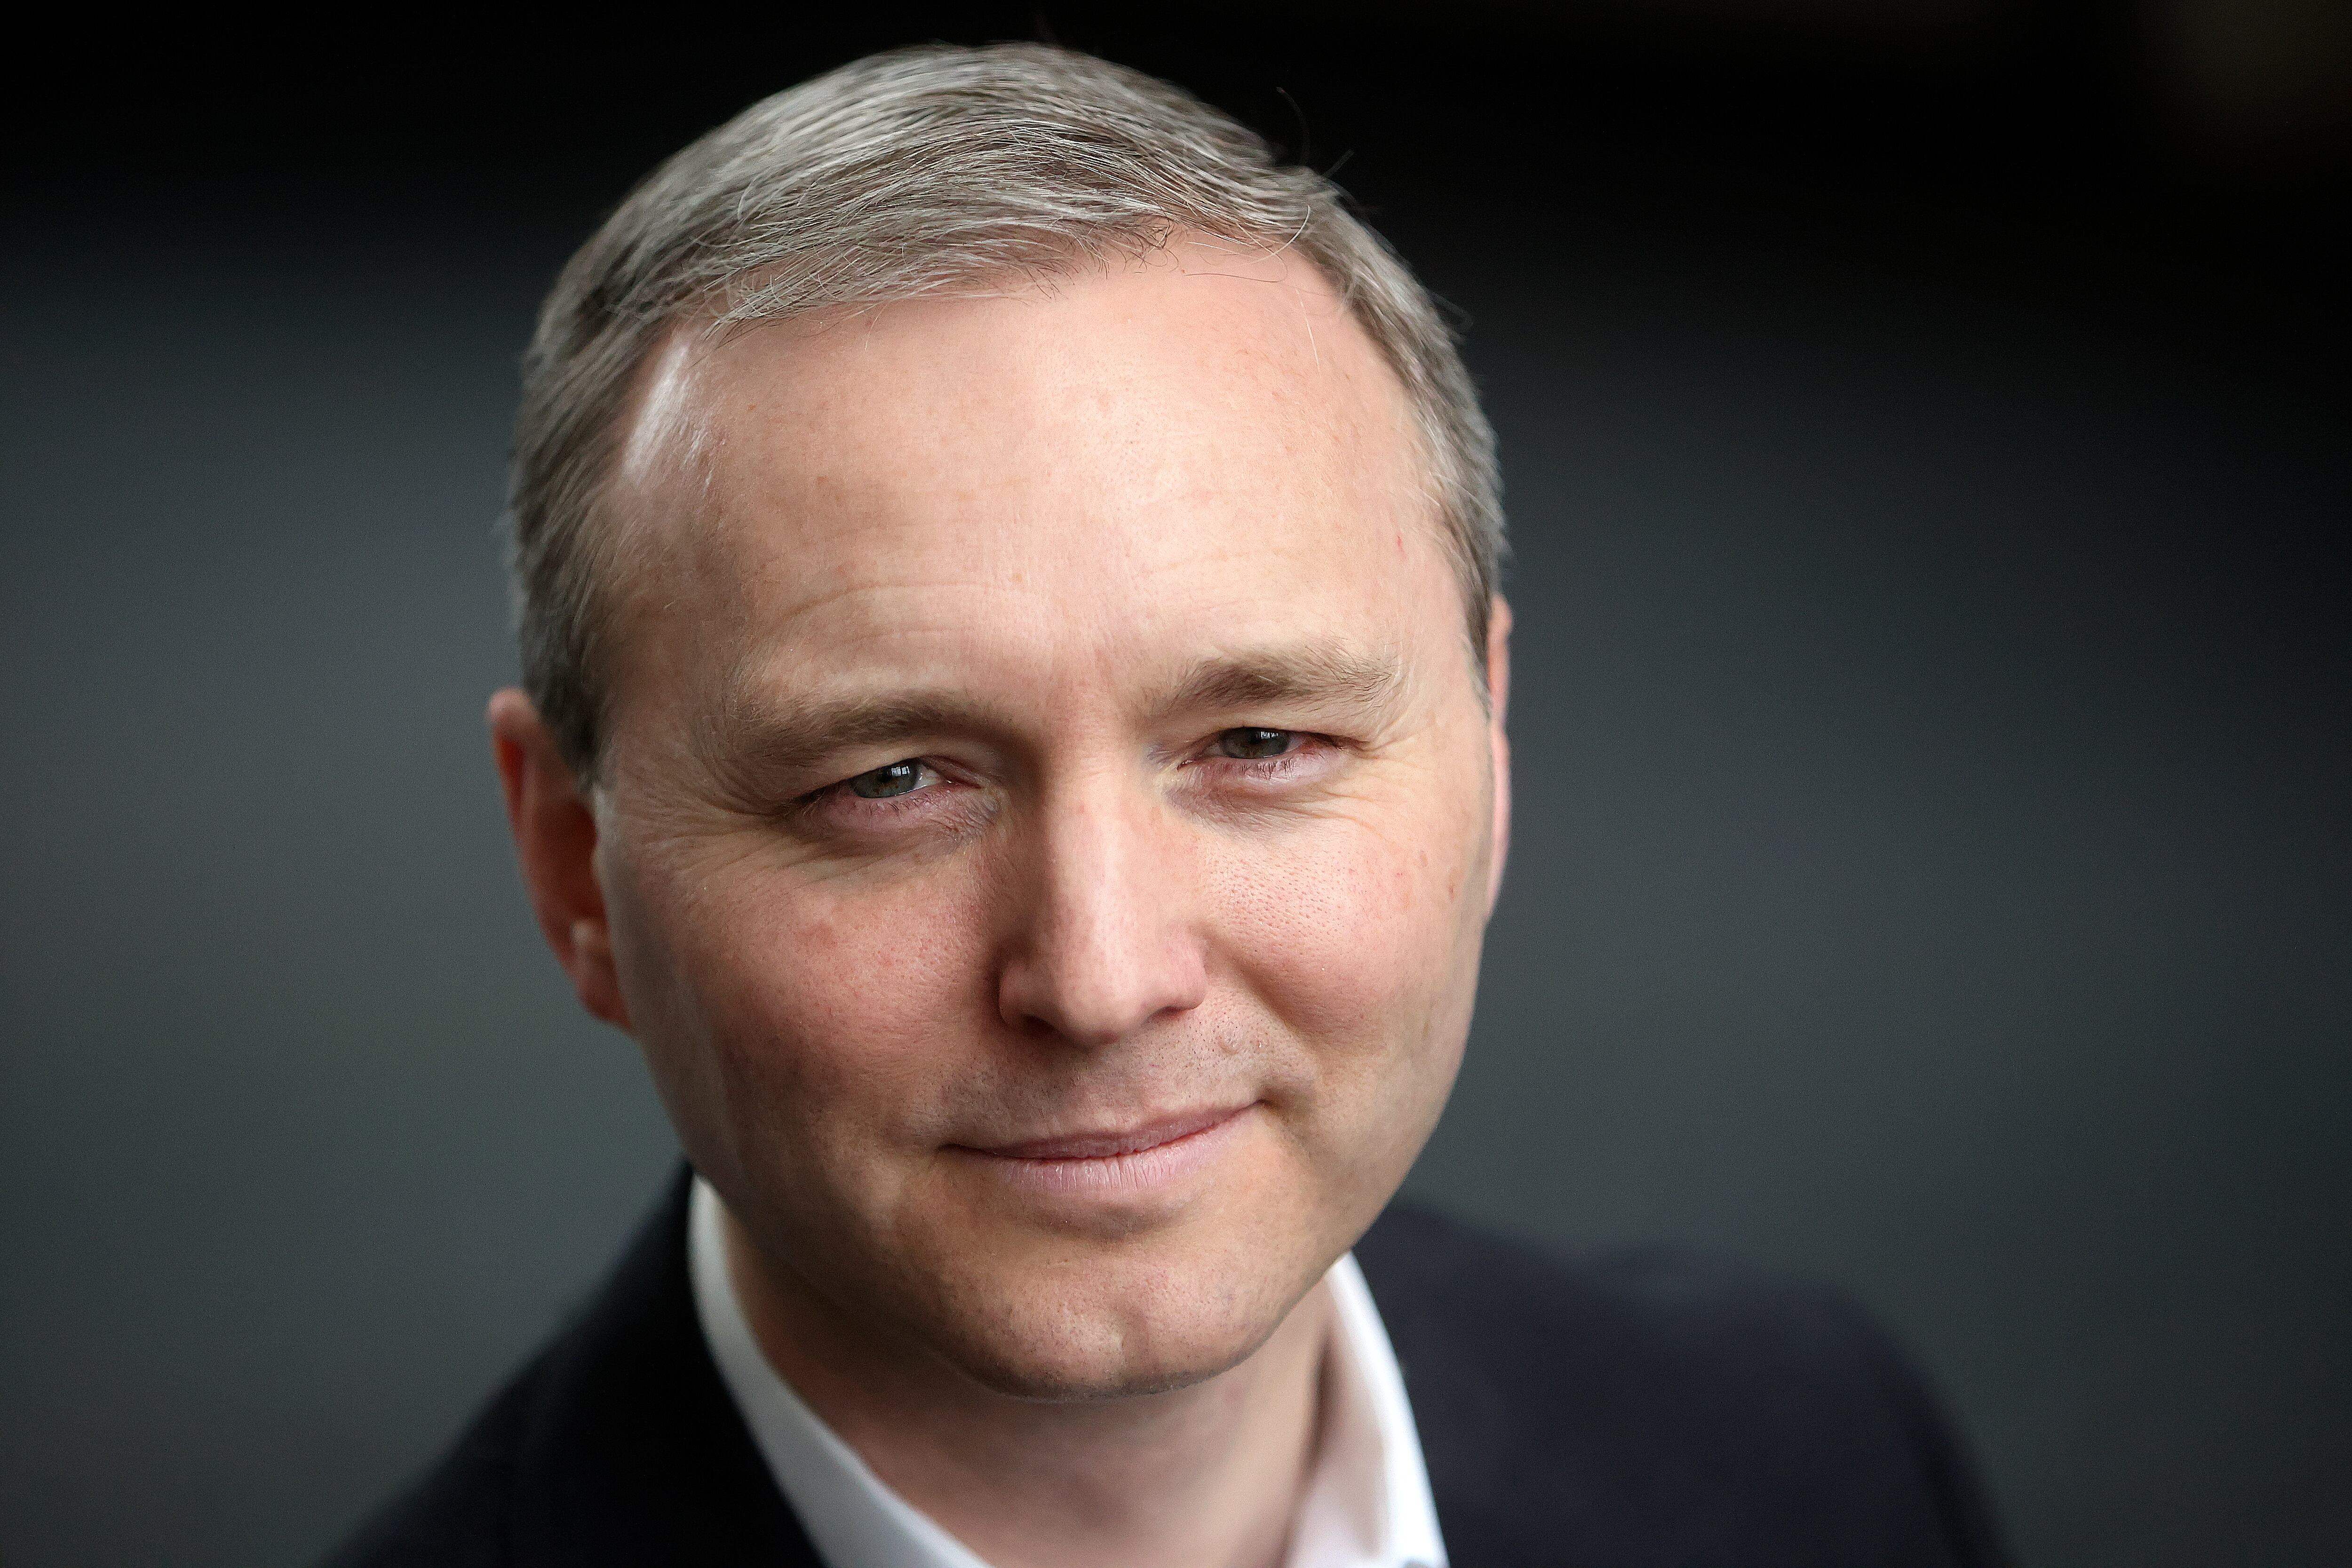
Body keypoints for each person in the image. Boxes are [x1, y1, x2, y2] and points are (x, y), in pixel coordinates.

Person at [324, 42, 2007, 1568]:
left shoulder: (1819, 1462)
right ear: (575, 870)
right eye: (892, 780)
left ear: (1490, 748)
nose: (1103, 976)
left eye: (1259, 743)